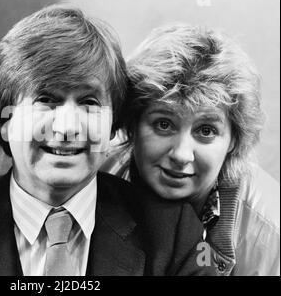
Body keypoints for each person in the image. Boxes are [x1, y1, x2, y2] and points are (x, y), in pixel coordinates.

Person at [0, 5, 216, 276]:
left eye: (89, 103)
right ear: (4, 121)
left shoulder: (171, 234)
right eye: (46, 100)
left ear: (113, 124)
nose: (67, 128)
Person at [101, 23, 280, 276]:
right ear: (132, 125)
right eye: (164, 124)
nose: (181, 155)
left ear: (233, 140)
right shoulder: (98, 176)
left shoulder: (271, 234)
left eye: (206, 131)